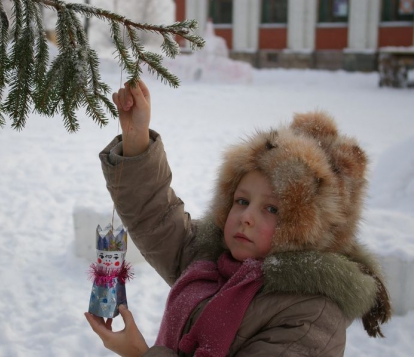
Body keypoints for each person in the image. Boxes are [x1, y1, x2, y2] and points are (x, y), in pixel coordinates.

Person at [84, 80, 391, 357]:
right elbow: (157, 217)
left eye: (272, 209)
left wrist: (141, 355)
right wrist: (136, 138)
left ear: (309, 231)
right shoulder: (210, 257)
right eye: (242, 200)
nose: (246, 217)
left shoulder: (312, 316)